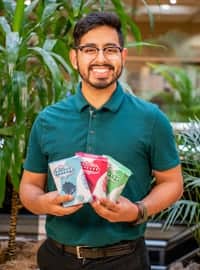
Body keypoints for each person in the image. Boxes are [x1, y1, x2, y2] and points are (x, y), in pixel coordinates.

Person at [19, 11, 183, 270]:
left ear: (123, 56)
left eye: (110, 49)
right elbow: (28, 187)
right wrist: (41, 203)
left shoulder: (151, 119)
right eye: (89, 49)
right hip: (56, 258)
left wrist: (138, 210)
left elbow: (172, 183)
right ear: (75, 58)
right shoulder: (47, 120)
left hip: (125, 260)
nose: (101, 59)